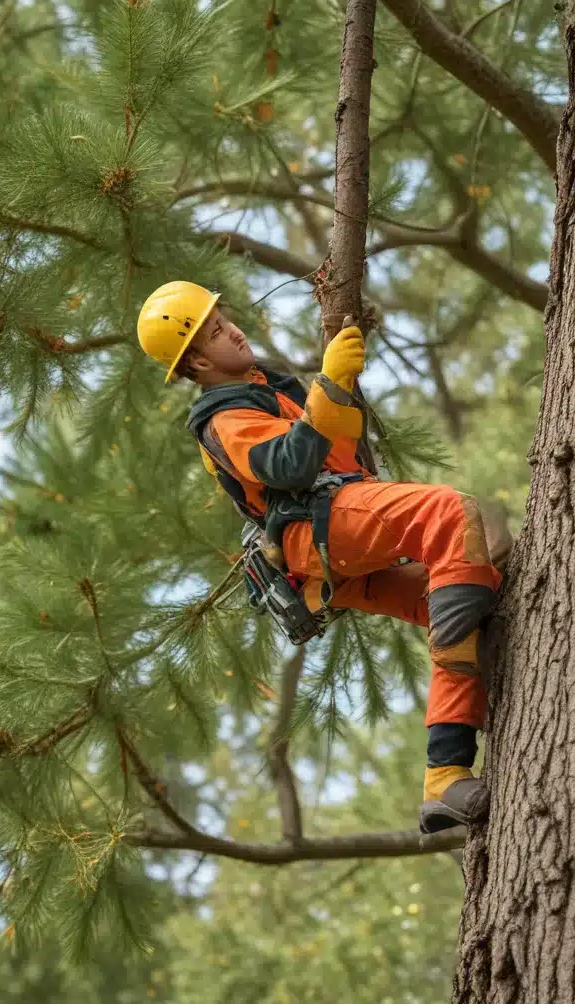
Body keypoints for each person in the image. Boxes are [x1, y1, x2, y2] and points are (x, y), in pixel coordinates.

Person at [137, 280, 502, 833]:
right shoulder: (225, 417)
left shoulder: (267, 390)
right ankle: (462, 639)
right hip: (319, 528)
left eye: (225, 319)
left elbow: (339, 448)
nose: (233, 330)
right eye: (215, 331)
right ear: (196, 361)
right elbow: (289, 465)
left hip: (337, 529)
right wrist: (329, 384)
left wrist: (334, 391)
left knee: (464, 612)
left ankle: (444, 777)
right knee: (450, 513)